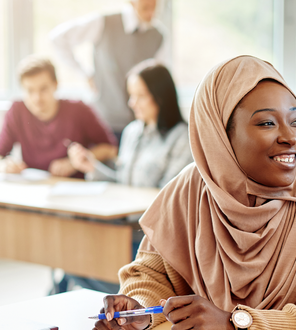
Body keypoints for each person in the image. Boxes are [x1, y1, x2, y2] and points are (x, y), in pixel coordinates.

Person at [91, 56, 296, 330]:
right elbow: (152, 275)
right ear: (220, 136)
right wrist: (139, 310)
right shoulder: (190, 190)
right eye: (267, 123)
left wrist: (239, 324)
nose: (290, 137)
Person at [60, 60, 192, 295]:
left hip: (147, 237)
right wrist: (91, 166)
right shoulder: (132, 132)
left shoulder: (183, 137)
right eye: (131, 96)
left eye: (140, 96)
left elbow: (169, 199)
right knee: (70, 259)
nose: (133, 103)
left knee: (84, 264)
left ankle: (134, 297)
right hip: (119, 225)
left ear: (160, 97)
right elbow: (122, 183)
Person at [50, 0, 166, 140]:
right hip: (106, 119)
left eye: (154, 8)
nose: (151, 14)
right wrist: (85, 75)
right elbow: (58, 39)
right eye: (145, 8)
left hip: (139, 123)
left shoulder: (158, 35)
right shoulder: (104, 23)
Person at [0, 56, 117, 177]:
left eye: (43, 89)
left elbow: (111, 149)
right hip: (36, 189)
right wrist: (5, 165)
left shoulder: (79, 110)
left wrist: (73, 163)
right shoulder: (16, 111)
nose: (37, 98)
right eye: (30, 91)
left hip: (76, 186)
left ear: (55, 85)